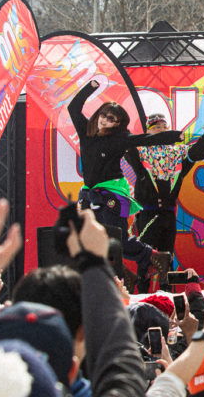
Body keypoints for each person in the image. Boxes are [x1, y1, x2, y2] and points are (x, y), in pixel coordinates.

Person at [69, 79, 180, 286]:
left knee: (116, 237)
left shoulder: (119, 139)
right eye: (104, 115)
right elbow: (73, 108)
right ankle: (123, 274)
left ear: (117, 124)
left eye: (111, 119)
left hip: (111, 194)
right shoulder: (86, 132)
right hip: (89, 193)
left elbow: (145, 140)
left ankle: (155, 257)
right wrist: (91, 87)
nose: (105, 120)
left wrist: (176, 136)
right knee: (90, 239)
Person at [126, 115, 204, 255]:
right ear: (148, 131)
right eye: (157, 127)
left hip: (168, 215)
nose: (161, 130)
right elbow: (127, 148)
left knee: (167, 255)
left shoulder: (177, 153)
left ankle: (165, 270)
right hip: (148, 213)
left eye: (164, 127)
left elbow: (195, 153)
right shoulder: (141, 151)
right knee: (147, 256)